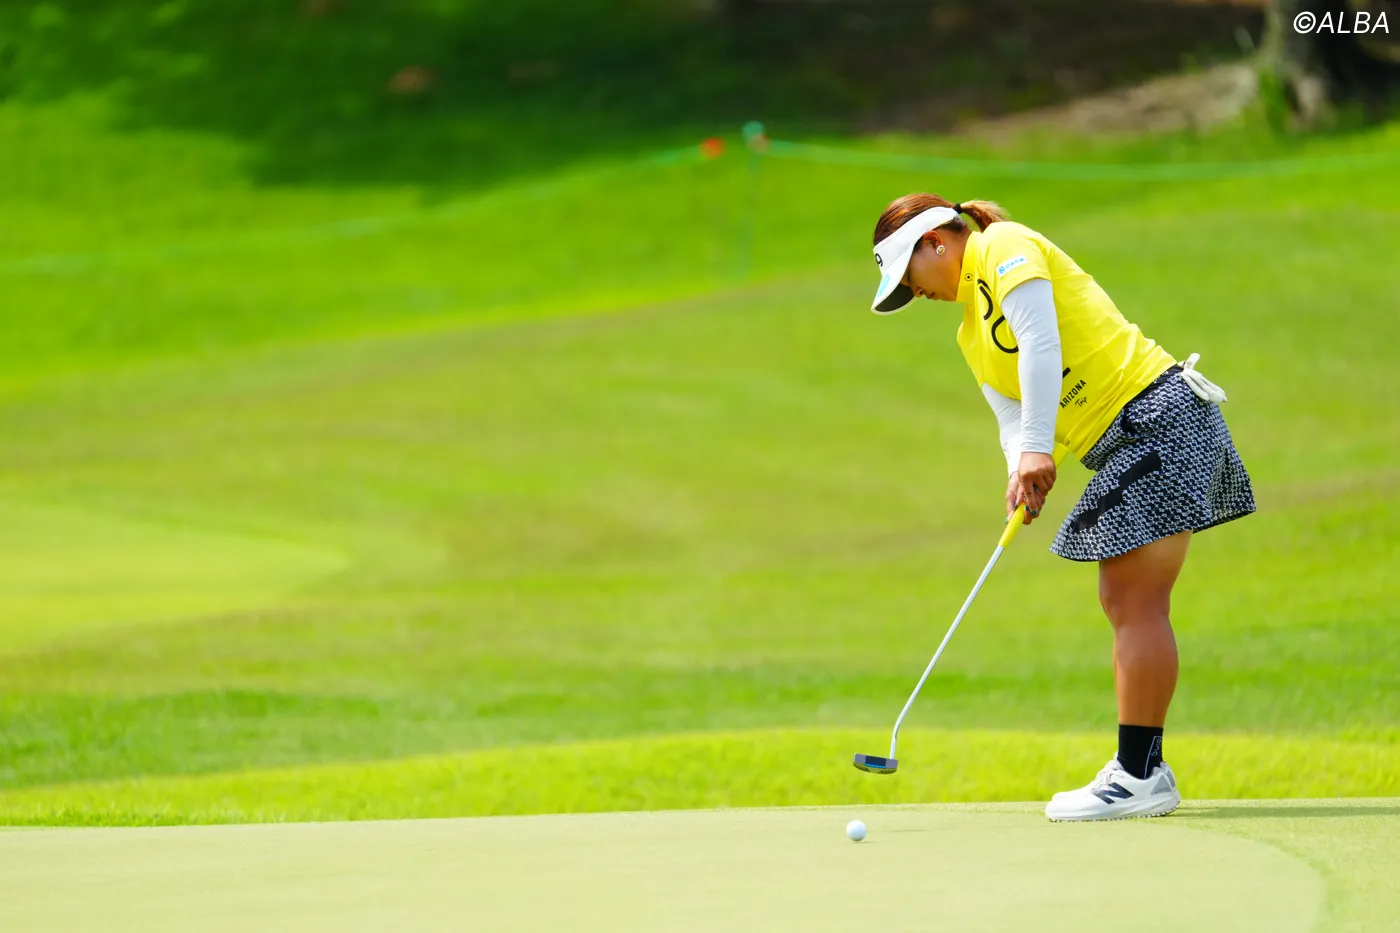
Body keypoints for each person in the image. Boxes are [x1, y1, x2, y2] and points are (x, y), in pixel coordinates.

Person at [869, 194, 1256, 821]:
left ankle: (1138, 775)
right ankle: (1144, 769)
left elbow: (1039, 343)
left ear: (936, 242)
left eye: (910, 278)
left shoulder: (1004, 245)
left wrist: (1038, 449)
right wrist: (1019, 470)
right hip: (1133, 438)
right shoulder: (970, 334)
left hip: (1160, 417)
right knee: (1127, 599)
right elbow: (1011, 415)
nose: (917, 294)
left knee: (1131, 598)